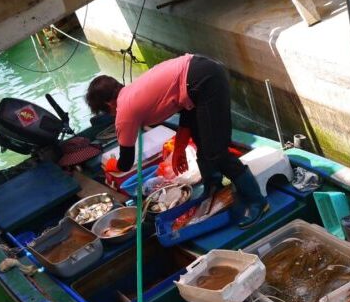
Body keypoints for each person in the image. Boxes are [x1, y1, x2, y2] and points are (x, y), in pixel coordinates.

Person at [86, 53, 268, 229]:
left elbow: (125, 163)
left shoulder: (124, 112)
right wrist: (179, 149)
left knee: (216, 152)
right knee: (202, 141)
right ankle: (213, 187)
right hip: (199, 74)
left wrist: (110, 166)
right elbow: (188, 109)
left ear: (109, 105)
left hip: (205, 81)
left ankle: (257, 201)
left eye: (107, 112)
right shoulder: (134, 92)